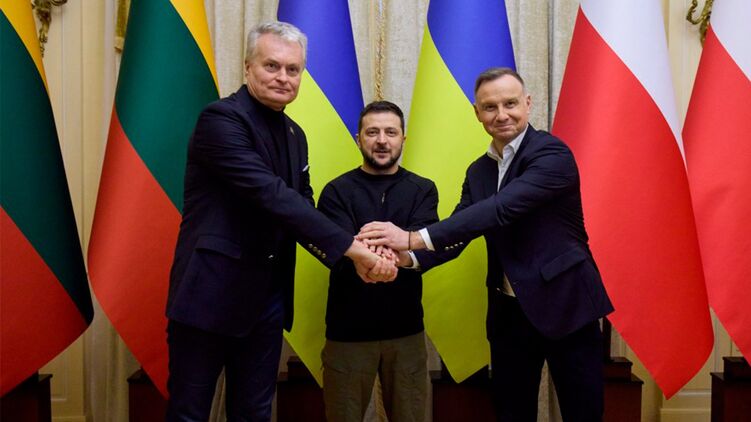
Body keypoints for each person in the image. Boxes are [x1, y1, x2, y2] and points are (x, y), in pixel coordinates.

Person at [165, 21, 396, 421]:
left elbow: (302, 207)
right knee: (189, 414)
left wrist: (353, 254)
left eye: (293, 69)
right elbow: (272, 196)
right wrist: (355, 250)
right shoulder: (221, 119)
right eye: (271, 66)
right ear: (248, 67)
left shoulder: (294, 134)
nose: (283, 77)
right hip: (209, 296)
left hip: (267, 301)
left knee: (255, 413)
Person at [358, 67, 614, 422]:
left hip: (566, 303)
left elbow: (500, 209)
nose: (501, 114)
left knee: (582, 412)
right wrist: (407, 258)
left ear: (528, 103)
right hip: (509, 314)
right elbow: (459, 232)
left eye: (510, 103)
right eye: (490, 107)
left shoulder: (552, 154)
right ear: (477, 113)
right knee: (511, 412)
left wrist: (412, 237)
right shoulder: (479, 171)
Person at [317, 101, 438, 422]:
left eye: (390, 132)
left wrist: (392, 255)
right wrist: (381, 255)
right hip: (347, 332)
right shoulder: (335, 191)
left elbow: (427, 247)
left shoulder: (423, 190)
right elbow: (335, 248)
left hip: (406, 331)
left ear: (403, 139)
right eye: (372, 132)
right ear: (358, 139)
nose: (382, 140)